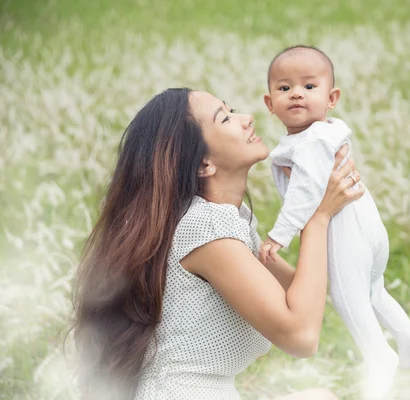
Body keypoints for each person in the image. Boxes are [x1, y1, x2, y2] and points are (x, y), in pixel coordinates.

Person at [70, 88, 364, 400]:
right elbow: (302, 336)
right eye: (224, 118)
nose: (247, 119)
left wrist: (311, 195)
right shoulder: (207, 230)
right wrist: (316, 218)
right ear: (203, 164)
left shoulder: (222, 220)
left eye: (232, 110)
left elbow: (308, 293)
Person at [259, 45, 410, 399]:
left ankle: (379, 358)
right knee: (374, 289)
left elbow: (306, 190)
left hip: (347, 233)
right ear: (270, 104)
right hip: (369, 224)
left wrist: (280, 234)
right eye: (285, 88)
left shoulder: (312, 140)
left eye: (309, 86)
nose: (297, 93)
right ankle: (409, 341)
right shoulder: (326, 132)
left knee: (350, 300)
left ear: (331, 97)